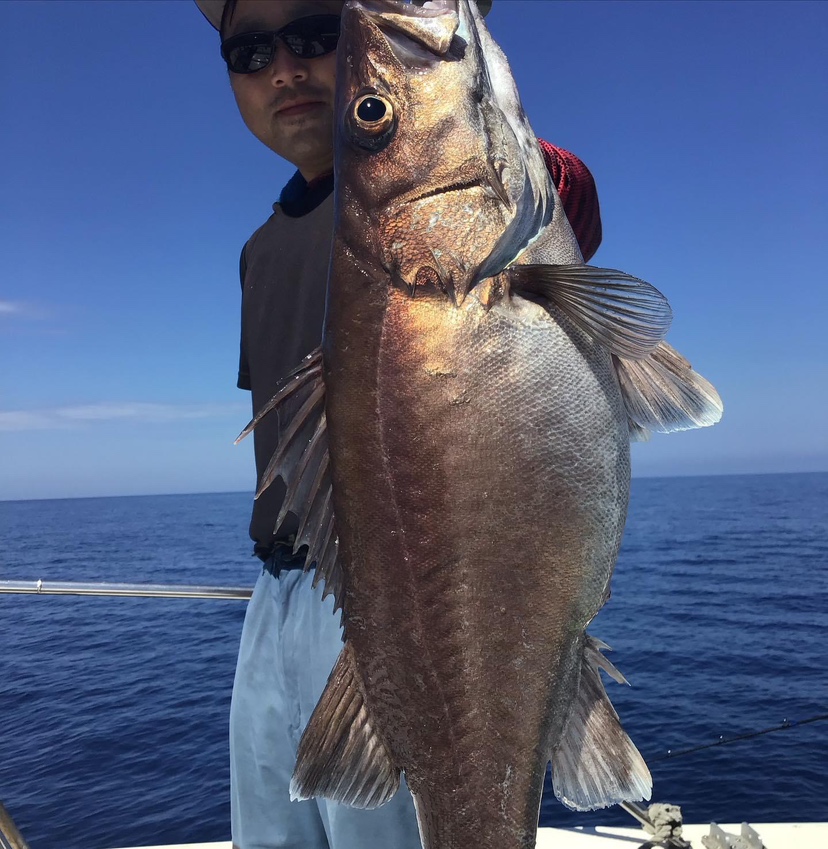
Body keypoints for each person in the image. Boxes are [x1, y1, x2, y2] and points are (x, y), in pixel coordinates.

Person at [194, 2, 603, 848]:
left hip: (396, 601)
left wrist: (439, 77)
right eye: (250, 50)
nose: (285, 68)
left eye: (314, 35)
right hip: (274, 602)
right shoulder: (259, 248)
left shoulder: (491, 190)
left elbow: (555, 189)